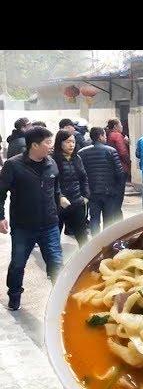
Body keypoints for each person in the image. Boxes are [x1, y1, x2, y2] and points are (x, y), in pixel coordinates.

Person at [0, 126, 63, 311]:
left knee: (56, 262)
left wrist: (57, 210)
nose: (51, 146)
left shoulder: (51, 163)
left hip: (49, 225)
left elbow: (56, 189)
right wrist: (1, 217)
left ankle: (59, 298)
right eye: (47, 142)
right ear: (34, 145)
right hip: (23, 227)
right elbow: (1, 193)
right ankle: (14, 295)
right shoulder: (13, 165)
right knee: (18, 263)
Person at [78, 127, 125, 236]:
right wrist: (118, 189)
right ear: (100, 137)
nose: (105, 137)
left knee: (94, 218)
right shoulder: (111, 151)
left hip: (92, 192)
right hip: (109, 191)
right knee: (108, 219)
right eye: (104, 135)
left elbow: (80, 174)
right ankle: (106, 241)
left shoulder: (82, 153)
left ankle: (96, 242)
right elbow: (120, 173)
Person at [52, 130, 90, 247]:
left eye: (73, 142)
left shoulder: (77, 158)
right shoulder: (52, 160)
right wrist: (60, 197)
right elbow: (51, 182)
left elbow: (84, 179)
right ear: (60, 143)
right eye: (68, 142)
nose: (71, 145)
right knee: (54, 239)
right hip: (58, 206)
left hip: (77, 202)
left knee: (83, 238)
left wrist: (86, 196)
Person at [106, 118, 129, 221]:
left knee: (113, 195)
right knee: (119, 195)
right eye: (120, 125)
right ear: (115, 126)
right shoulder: (117, 135)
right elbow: (123, 152)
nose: (122, 127)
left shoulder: (106, 135)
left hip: (109, 169)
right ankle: (117, 218)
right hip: (120, 168)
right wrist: (129, 162)